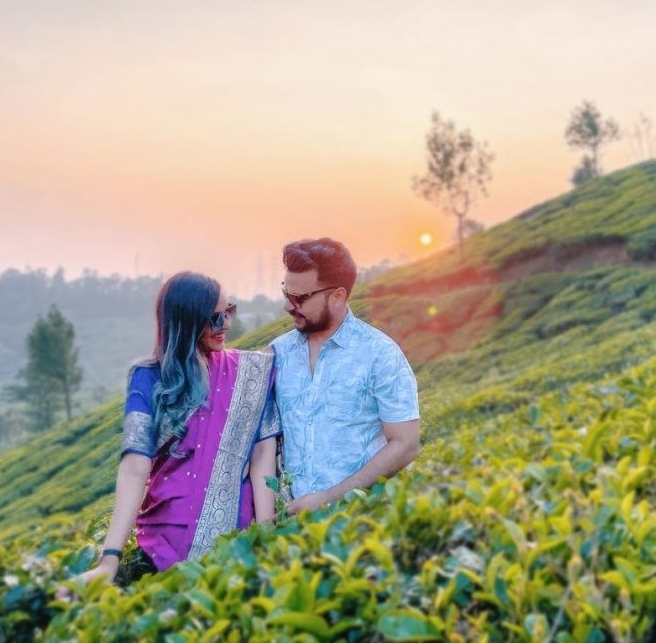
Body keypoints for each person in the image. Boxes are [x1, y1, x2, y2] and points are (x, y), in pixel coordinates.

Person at [79, 271, 280, 585]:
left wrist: (267, 538)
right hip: (160, 544)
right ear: (186, 321)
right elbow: (135, 468)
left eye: (229, 312)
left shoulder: (252, 373)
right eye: (214, 318)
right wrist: (109, 559)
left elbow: (262, 457)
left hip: (233, 546)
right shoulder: (147, 377)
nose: (226, 325)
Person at [272, 238, 420, 514]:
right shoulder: (278, 354)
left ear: (338, 296)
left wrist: (330, 498)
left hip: (363, 521)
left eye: (299, 299)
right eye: (286, 295)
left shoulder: (380, 354)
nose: (288, 307)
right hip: (293, 530)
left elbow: (406, 444)